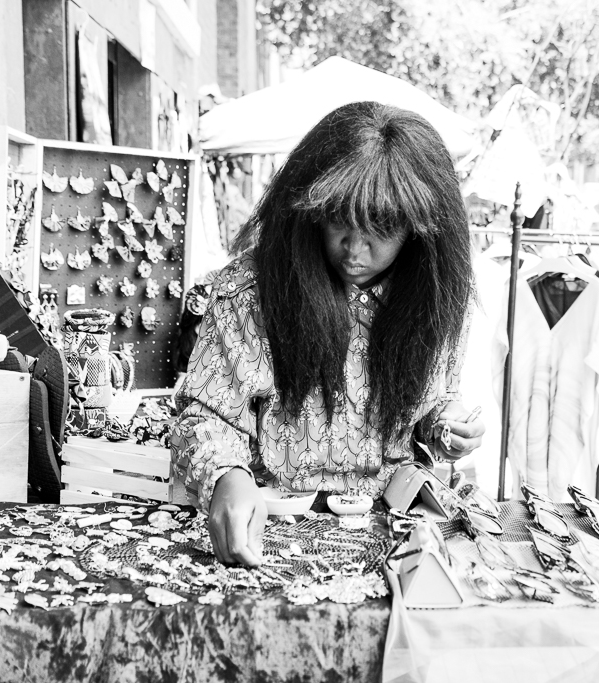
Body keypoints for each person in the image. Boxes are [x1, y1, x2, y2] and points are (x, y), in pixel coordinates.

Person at [171, 102, 485, 567]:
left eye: (382, 228)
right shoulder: (249, 291)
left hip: (397, 534)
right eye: (339, 219)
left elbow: (431, 405)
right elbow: (205, 414)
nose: (354, 249)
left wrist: (447, 424)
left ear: (421, 230)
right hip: (271, 528)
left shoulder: (438, 296)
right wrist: (226, 476)